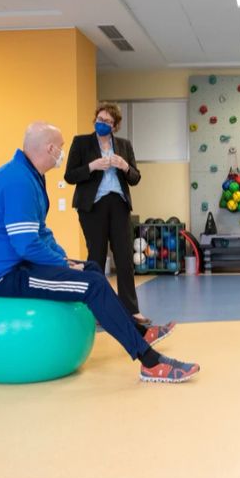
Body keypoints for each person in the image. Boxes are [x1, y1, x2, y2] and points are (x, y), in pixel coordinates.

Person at [0, 122, 198, 383]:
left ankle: (138, 331)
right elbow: (26, 244)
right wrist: (61, 263)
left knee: (91, 268)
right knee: (92, 285)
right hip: (5, 275)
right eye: (61, 148)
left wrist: (64, 259)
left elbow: (41, 232)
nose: (62, 154)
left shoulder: (30, 175)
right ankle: (150, 362)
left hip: (22, 264)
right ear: (49, 148)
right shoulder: (17, 181)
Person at [64, 103, 150, 325]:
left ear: (115, 126)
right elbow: (70, 176)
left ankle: (131, 310)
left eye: (107, 122)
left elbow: (136, 178)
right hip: (92, 206)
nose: (102, 124)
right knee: (96, 258)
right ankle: (96, 310)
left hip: (119, 204)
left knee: (124, 258)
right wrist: (92, 166)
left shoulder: (124, 145)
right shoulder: (81, 142)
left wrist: (124, 166)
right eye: (99, 119)